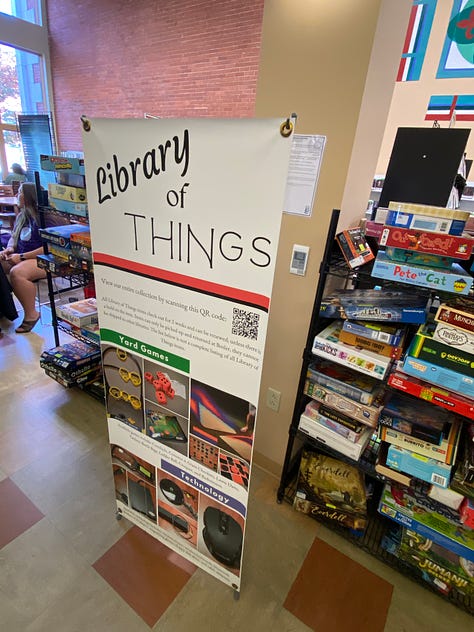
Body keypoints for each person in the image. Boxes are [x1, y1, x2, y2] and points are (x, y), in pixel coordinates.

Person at [0, 182, 46, 333]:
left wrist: (22, 257)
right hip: (23, 256)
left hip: (45, 258)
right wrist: (9, 249)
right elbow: (14, 237)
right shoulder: (21, 215)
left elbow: (50, 247)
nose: (17, 195)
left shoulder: (44, 217)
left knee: (17, 273)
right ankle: (4, 308)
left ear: (29, 196)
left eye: (20, 192)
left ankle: (31, 314)